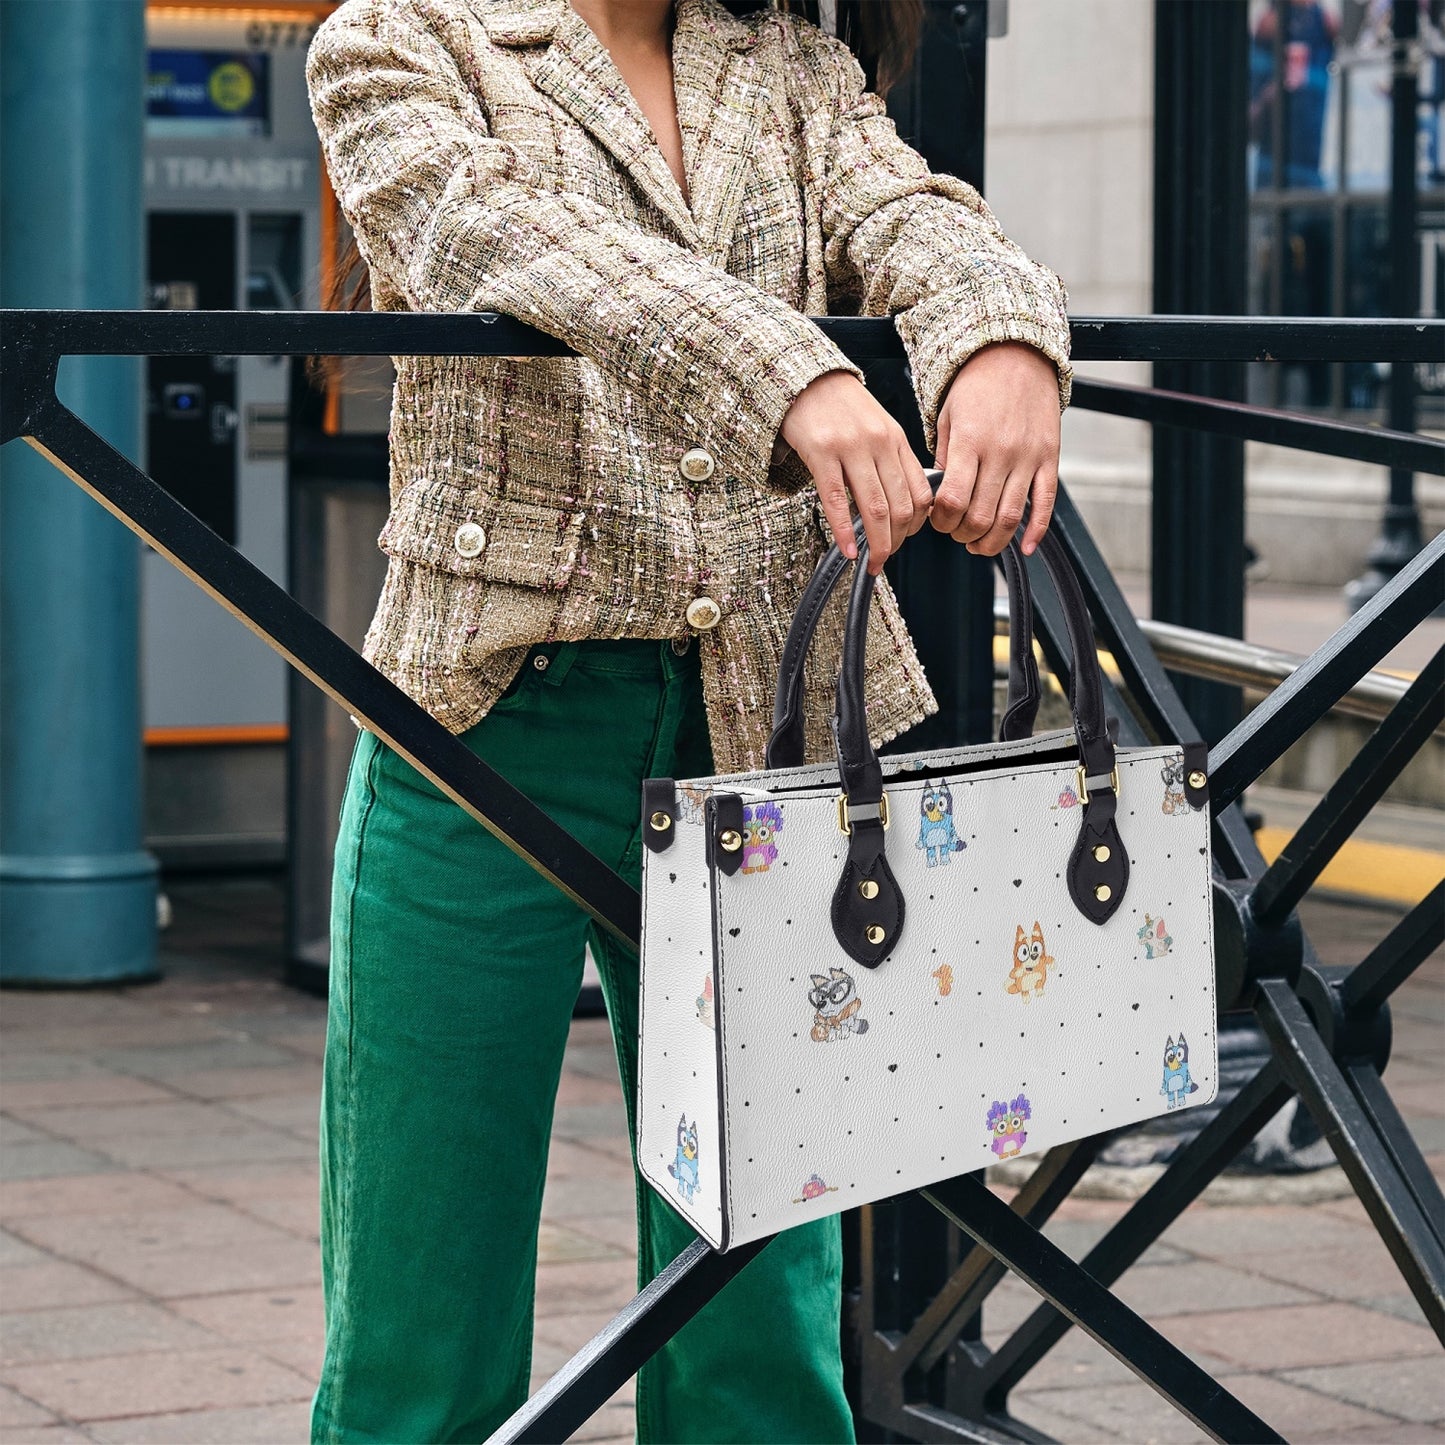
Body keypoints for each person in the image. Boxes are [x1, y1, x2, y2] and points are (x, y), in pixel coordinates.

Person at [303, 0, 1070, 1439]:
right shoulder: (397, 39)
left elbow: (910, 214)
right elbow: (506, 236)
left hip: (761, 728)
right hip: (488, 724)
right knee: (423, 1305)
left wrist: (1000, 339)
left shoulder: (782, 60)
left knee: (760, 1317)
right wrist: (799, 373)